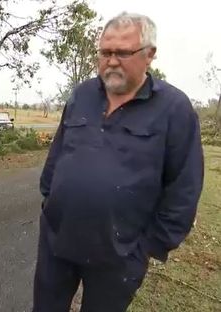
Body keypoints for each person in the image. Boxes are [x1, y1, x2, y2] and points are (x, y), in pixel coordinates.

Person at [33, 12, 203, 312]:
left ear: (149, 54)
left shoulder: (174, 109)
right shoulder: (82, 95)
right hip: (58, 240)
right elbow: (58, 154)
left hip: (120, 254)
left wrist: (149, 246)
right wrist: (49, 201)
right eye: (105, 52)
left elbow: (184, 188)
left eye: (122, 52)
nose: (111, 60)